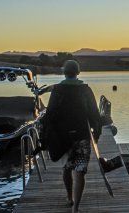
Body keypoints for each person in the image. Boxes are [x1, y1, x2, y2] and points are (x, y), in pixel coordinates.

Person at [42, 60, 102, 212]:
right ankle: (75, 207)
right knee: (80, 170)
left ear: (64, 72)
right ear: (78, 73)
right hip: (82, 135)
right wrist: (97, 133)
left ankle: (69, 197)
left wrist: (46, 136)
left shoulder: (57, 90)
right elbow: (94, 114)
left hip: (63, 137)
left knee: (67, 167)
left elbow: (50, 114)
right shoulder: (85, 90)